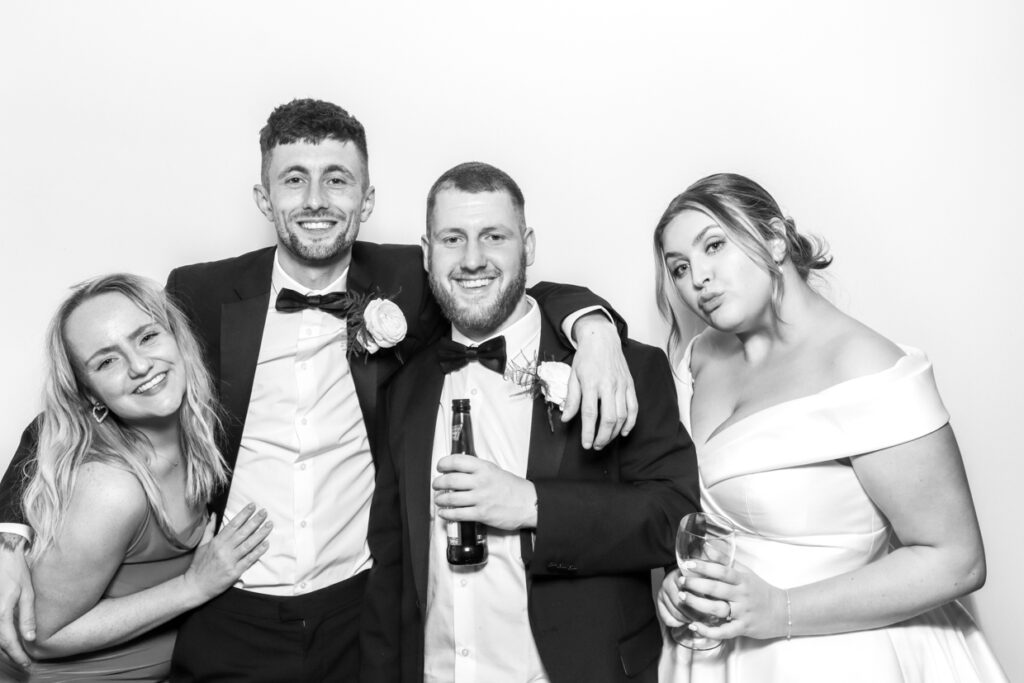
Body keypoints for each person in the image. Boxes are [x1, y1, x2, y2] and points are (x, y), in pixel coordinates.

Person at [0, 99, 637, 682]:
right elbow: (80, 403)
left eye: (337, 178)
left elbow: (503, 284)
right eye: (293, 178)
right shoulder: (201, 290)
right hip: (229, 607)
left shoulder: (408, 281)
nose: (315, 198)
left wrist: (593, 325)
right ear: (263, 196)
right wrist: (10, 534)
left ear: (366, 199)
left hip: (358, 611)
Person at [653, 173, 1007, 682]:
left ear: (774, 239)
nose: (698, 279)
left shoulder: (867, 370)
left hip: (837, 657)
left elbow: (957, 561)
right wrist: (683, 580)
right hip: (715, 655)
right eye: (680, 268)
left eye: (714, 246)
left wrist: (780, 610)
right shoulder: (698, 357)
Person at [366, 161, 700, 683]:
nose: (472, 259)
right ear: (428, 253)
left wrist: (532, 505)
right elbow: (389, 565)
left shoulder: (623, 367)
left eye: (493, 236)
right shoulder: (404, 387)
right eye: (453, 239)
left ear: (528, 246)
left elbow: (674, 517)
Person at [0, 274, 270, 682]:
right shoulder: (111, 488)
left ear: (177, 337)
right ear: (88, 392)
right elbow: (39, 634)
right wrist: (192, 587)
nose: (140, 366)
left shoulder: (200, 434)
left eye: (146, 337)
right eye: (106, 361)